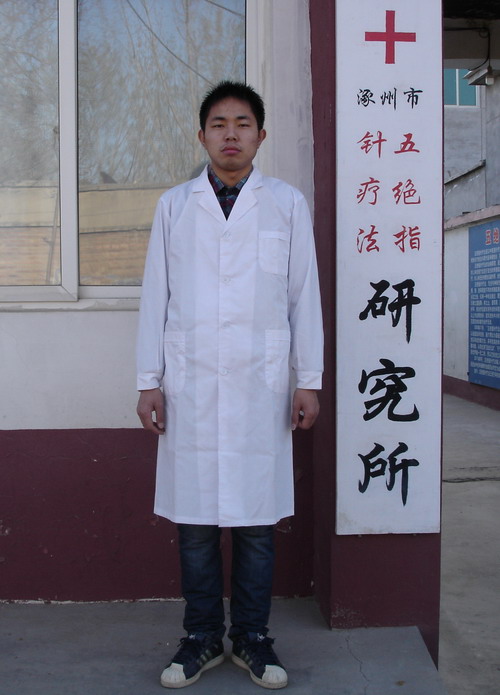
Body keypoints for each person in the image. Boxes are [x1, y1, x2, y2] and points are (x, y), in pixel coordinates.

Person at [136, 81, 323, 690]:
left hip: (260, 387)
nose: (231, 135)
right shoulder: (175, 206)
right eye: (219, 124)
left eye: (243, 124)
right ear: (202, 136)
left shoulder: (285, 204)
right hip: (189, 385)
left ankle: (251, 636)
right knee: (195, 526)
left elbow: (303, 296)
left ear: (261, 136)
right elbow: (156, 297)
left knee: (256, 524)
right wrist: (148, 380)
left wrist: (309, 379)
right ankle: (200, 637)